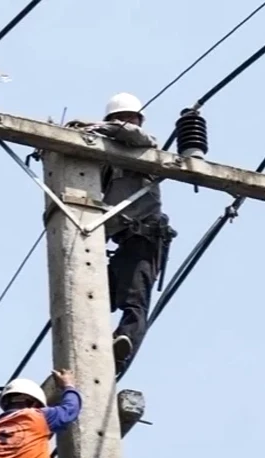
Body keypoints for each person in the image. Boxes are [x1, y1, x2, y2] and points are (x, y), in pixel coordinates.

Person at [73, 93, 178, 372]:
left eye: (128, 118)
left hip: (145, 239)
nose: (125, 122)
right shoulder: (107, 160)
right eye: (118, 118)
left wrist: (93, 126)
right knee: (88, 294)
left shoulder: (144, 145)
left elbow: (132, 135)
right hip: (121, 243)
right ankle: (92, 347)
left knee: (135, 301)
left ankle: (122, 348)